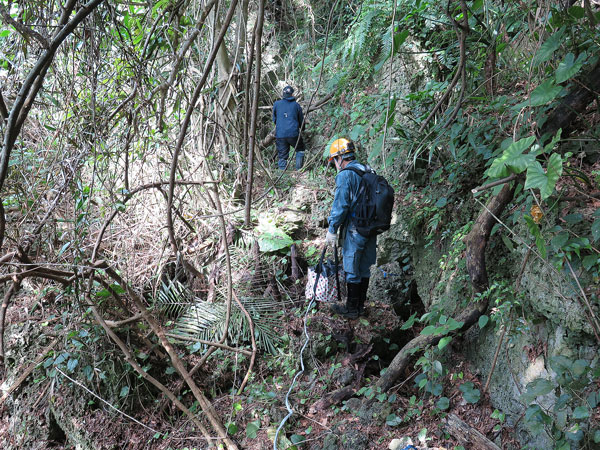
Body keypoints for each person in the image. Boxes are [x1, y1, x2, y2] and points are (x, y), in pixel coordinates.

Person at [325, 138, 376, 319]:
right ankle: (360, 306)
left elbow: (341, 205)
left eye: (334, 162)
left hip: (355, 229)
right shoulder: (367, 169)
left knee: (352, 268)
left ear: (340, 158)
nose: (335, 166)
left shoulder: (346, 175)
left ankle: (352, 310)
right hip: (371, 228)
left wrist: (332, 229)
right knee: (363, 268)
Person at [272, 85, 305, 170]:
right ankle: (299, 170)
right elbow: (301, 121)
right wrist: (303, 129)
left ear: (283, 94)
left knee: (282, 155)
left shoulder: (276, 104)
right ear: (292, 95)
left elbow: (274, 119)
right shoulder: (296, 105)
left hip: (280, 134)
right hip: (293, 134)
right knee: (300, 149)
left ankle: (282, 176)